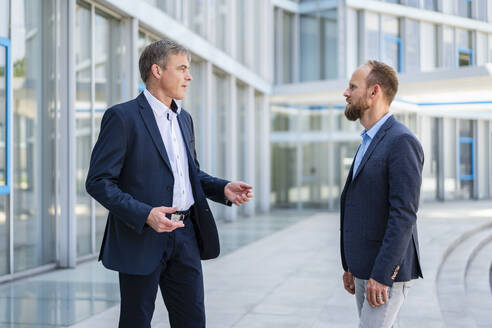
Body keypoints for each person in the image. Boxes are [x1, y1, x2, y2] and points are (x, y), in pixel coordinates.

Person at [85, 39, 253, 328]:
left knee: (192, 321)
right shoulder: (122, 117)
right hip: (141, 237)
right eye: (183, 68)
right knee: (136, 322)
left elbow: (190, 174)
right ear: (157, 71)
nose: (189, 76)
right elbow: (98, 181)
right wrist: (145, 214)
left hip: (185, 235)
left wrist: (222, 188)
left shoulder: (184, 119)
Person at [340, 60, 424, 328]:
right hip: (363, 268)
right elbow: (361, 205)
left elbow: (404, 214)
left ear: (374, 92)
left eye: (353, 87)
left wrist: (383, 274)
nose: (346, 93)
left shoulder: (401, 141)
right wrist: (351, 265)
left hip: (384, 273)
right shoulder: (368, 140)